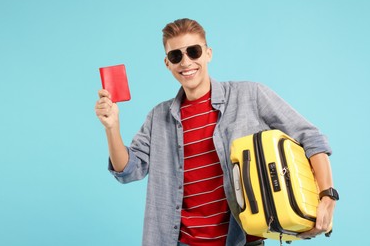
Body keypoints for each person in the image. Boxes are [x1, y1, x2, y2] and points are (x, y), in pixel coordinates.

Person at [94, 18, 337, 246]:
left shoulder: (249, 95)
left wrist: (327, 196)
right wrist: (112, 128)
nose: (186, 62)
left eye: (194, 51)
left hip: (240, 240)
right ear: (167, 63)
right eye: (176, 55)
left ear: (208, 53)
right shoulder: (159, 117)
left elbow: (311, 138)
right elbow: (129, 171)